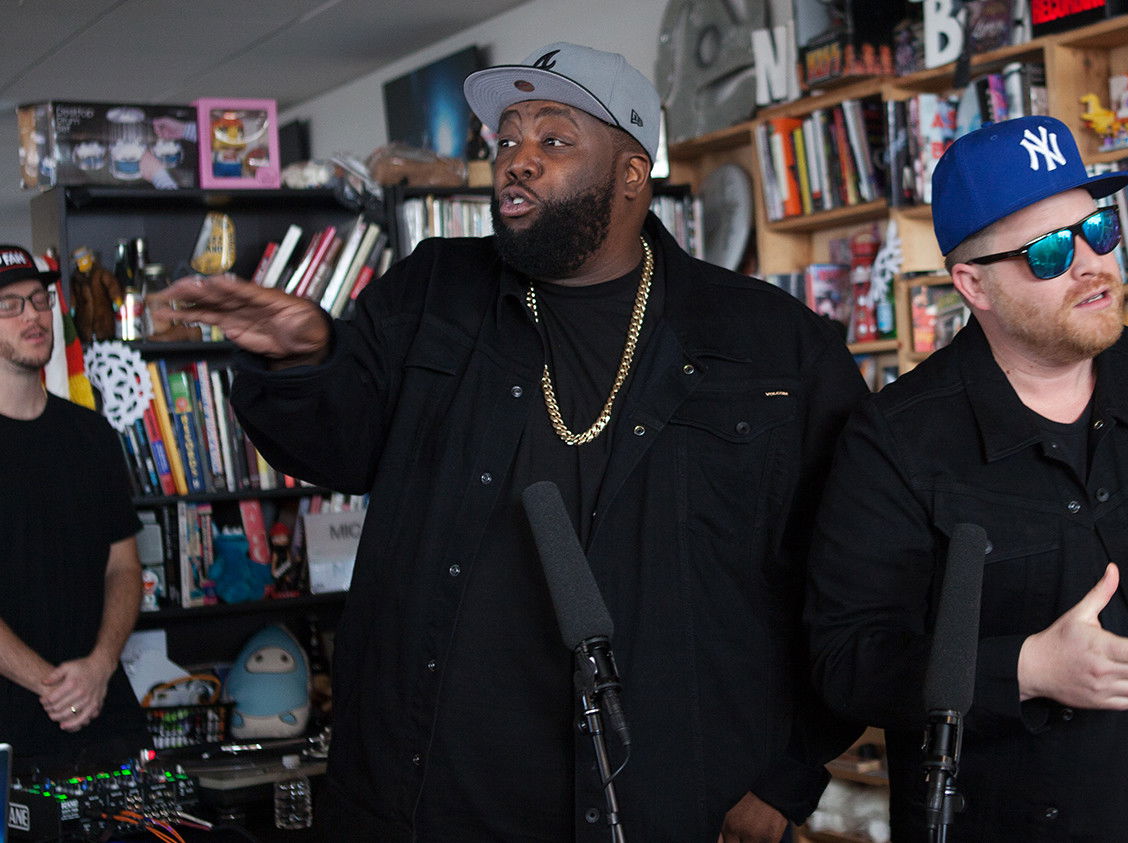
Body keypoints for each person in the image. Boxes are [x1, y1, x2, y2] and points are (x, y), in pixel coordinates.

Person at [154, 43, 867, 841]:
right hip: (431, 797)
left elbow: (855, 573)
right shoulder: (432, 293)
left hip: (666, 800)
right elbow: (335, 449)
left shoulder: (773, 346)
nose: (517, 160)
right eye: (506, 140)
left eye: (552, 139)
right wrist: (303, 361)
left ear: (633, 172)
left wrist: (787, 776)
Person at [804, 116, 1128, 842]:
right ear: (973, 284)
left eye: (1098, 230)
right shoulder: (894, 438)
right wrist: (1027, 668)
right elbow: (844, 661)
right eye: (1051, 251)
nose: (1091, 264)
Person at [0, 245, 148, 768]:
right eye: (10, 305)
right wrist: (56, 687)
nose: (34, 316)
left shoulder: (92, 434)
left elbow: (124, 567)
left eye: (40, 300)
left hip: (106, 714)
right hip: (11, 730)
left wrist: (100, 666)